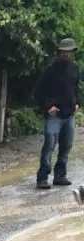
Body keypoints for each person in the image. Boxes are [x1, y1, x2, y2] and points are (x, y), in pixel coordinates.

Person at [34, 38, 81, 190]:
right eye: (64, 52)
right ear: (59, 52)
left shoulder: (74, 69)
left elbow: (76, 88)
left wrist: (78, 102)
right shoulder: (50, 70)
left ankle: (60, 175)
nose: (67, 54)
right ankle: (42, 177)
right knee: (49, 145)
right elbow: (38, 92)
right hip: (54, 116)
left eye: (69, 52)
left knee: (66, 146)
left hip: (69, 114)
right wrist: (48, 107)